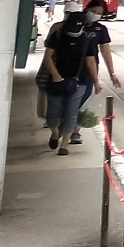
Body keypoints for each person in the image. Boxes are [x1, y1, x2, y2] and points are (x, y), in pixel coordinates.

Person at [39, 13, 98, 154]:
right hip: (56, 81)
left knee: (71, 113)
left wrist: (96, 81)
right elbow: (48, 57)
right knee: (53, 112)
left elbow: (90, 61)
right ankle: (54, 132)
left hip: (79, 81)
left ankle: (64, 145)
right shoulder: (57, 36)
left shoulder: (86, 39)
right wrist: (55, 75)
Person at [73, 0, 123, 145]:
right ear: (86, 8)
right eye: (93, 12)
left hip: (90, 69)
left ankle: (75, 130)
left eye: (99, 14)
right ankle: (64, 126)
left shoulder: (100, 30)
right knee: (68, 97)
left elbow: (106, 52)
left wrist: (112, 73)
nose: (95, 15)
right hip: (68, 67)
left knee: (83, 100)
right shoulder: (75, 24)